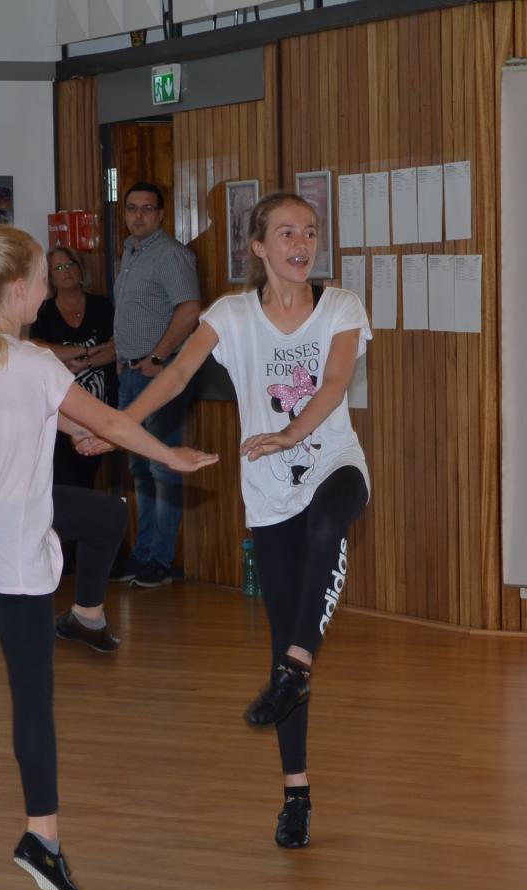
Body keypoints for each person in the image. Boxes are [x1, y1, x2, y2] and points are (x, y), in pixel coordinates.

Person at [0, 224, 218, 890]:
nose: (48, 290)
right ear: (18, 289)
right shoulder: (33, 364)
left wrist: (71, 425)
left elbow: (25, 411)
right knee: (34, 696)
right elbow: (110, 422)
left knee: (106, 516)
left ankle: (86, 615)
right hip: (10, 540)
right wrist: (169, 454)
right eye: (40, 278)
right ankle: (42, 838)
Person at [80, 192, 370, 850]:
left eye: (310, 232)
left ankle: (298, 665)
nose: (302, 243)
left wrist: (290, 433)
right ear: (258, 248)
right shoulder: (232, 315)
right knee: (280, 640)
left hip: (334, 465)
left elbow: (333, 385)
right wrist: (118, 426)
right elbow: (177, 372)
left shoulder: (341, 306)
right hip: (268, 492)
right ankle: (296, 794)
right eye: (287, 233)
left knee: (328, 526)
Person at [111, 182, 201, 588]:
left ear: (161, 214)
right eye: (132, 208)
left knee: (162, 467)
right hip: (130, 372)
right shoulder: (131, 252)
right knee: (139, 468)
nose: (138, 216)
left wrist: (160, 357)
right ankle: (142, 553)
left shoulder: (170, 254)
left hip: (160, 377)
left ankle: (161, 560)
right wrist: (121, 357)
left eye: (147, 209)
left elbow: (190, 310)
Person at [29, 245, 116, 489]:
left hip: (100, 405)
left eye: (69, 265)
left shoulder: (101, 305)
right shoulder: (44, 311)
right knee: (65, 475)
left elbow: (115, 348)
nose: (65, 271)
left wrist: (84, 363)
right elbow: (41, 349)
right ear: (50, 277)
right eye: (58, 268)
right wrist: (88, 350)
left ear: (80, 269)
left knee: (89, 472)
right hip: (61, 410)